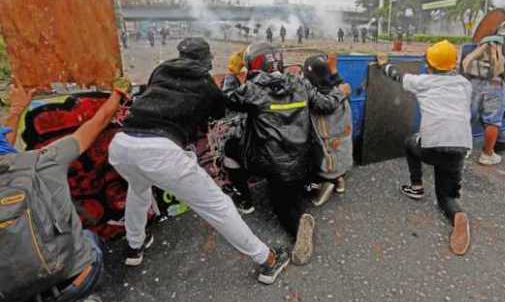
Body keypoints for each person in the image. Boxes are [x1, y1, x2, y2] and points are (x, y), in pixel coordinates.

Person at [108, 37, 289, 285]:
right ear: (207, 60)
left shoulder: (161, 69)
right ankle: (267, 260)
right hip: (161, 151)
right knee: (219, 207)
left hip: (122, 145)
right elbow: (218, 114)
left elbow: (157, 94)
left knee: (138, 190)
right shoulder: (205, 83)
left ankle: (134, 247)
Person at [0, 78, 129, 302]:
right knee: (90, 237)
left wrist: (16, 111)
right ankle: (89, 300)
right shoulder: (44, 159)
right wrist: (119, 92)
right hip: (76, 282)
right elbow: (98, 122)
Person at [223, 42, 350, 265]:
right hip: (305, 160)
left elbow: (227, 100)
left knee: (232, 149)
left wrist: (232, 74)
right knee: (293, 189)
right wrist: (341, 91)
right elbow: (326, 103)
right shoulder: (300, 83)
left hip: (272, 166)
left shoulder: (252, 90)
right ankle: (314, 185)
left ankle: (254, 205)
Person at [377, 40, 472, 256]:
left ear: (429, 64)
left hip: (432, 146)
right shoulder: (464, 84)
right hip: (460, 146)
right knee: (446, 198)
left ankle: (416, 186)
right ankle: (458, 215)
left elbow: (397, 76)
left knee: (411, 142)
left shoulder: (422, 82)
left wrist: (384, 63)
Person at [303, 53, 353, 207]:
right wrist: (334, 69)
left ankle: (321, 188)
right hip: (343, 162)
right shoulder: (341, 90)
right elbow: (338, 86)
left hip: (325, 164)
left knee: (303, 185)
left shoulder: (319, 100)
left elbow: (321, 103)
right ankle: (339, 180)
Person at [462, 35, 505, 165]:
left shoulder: (472, 60)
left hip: (474, 83)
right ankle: (487, 155)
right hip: (495, 84)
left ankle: (463, 149)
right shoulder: (500, 59)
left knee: (468, 117)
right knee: (492, 122)